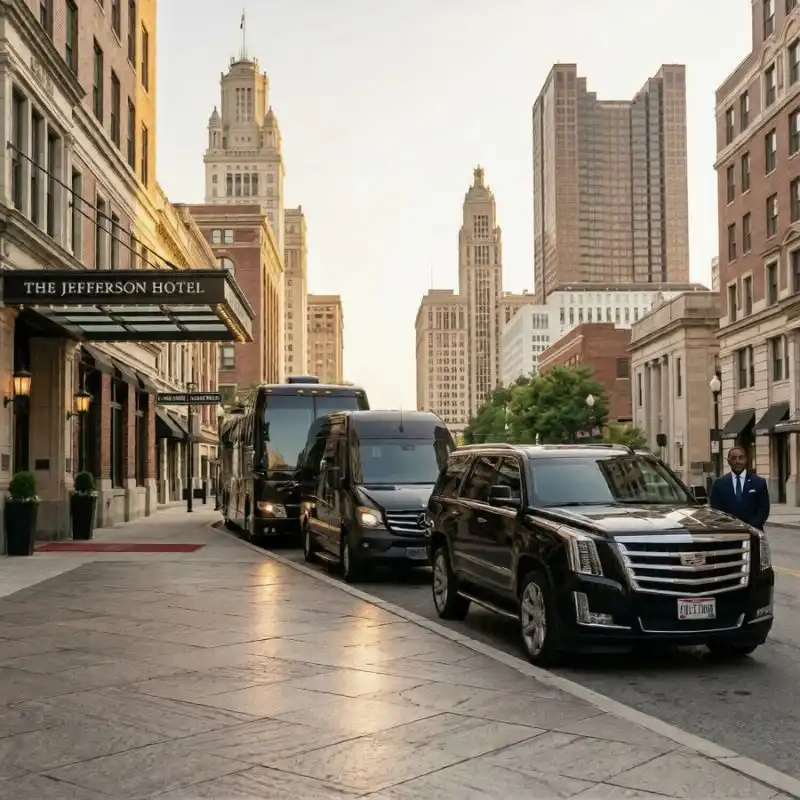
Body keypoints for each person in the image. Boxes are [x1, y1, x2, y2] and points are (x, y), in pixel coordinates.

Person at [709, 446, 770, 530]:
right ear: (728, 461)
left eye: (741, 458)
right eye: (733, 458)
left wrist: (751, 527)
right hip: (728, 532)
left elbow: (764, 509)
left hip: (753, 532)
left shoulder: (758, 482)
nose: (737, 461)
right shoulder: (719, 483)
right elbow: (716, 510)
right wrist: (728, 527)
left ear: (746, 459)